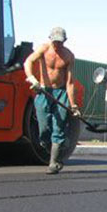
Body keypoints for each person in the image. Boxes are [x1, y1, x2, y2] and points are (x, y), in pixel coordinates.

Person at [24, 27, 80, 174]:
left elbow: (70, 82)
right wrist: (31, 77)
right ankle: (58, 149)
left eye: (60, 42)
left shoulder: (68, 56)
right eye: (55, 42)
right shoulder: (43, 49)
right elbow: (28, 61)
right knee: (44, 129)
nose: (57, 45)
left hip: (60, 93)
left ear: (65, 41)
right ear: (50, 39)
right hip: (43, 91)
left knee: (59, 127)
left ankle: (54, 162)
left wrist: (73, 104)